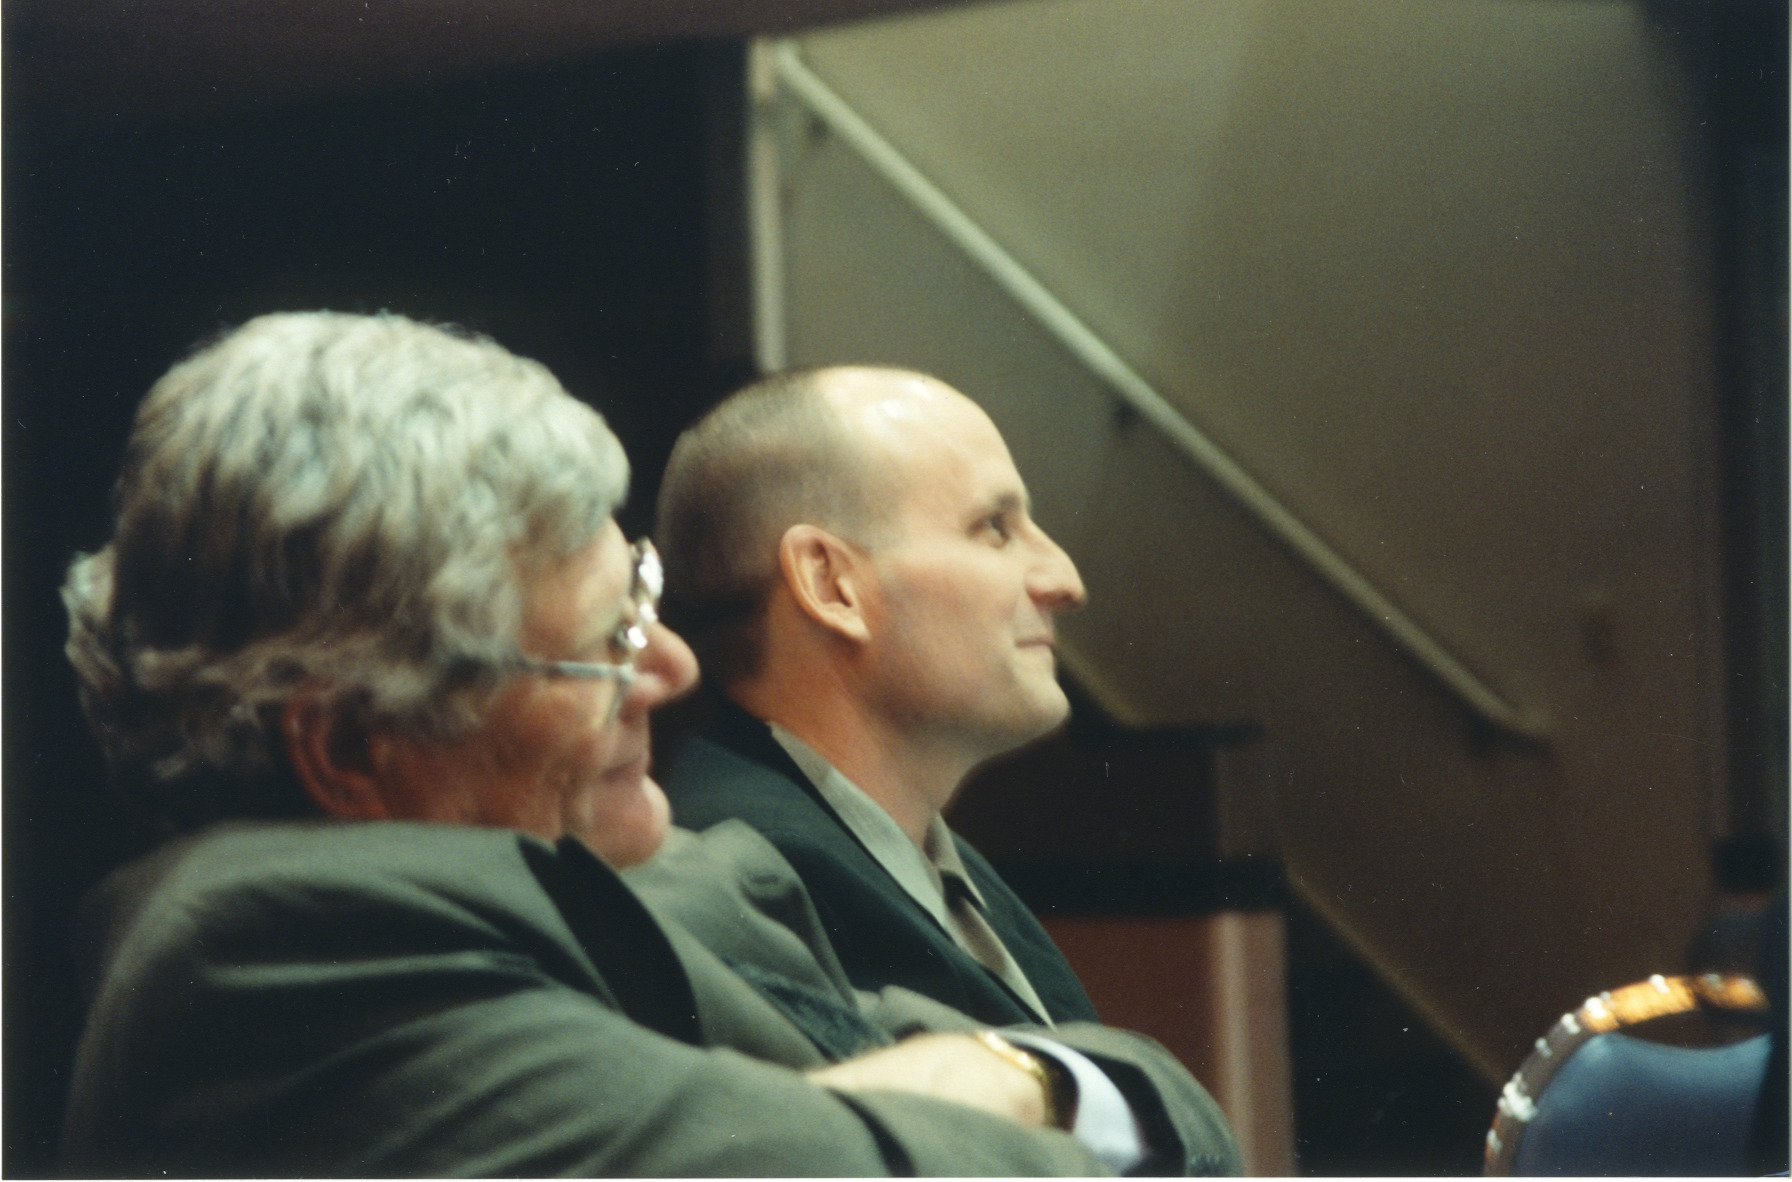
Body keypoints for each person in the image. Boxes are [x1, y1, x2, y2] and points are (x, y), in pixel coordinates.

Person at [57, 313, 1240, 1176]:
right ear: (353, 749)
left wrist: (1016, 1074)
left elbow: (1160, 1099)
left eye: (643, 594)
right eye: (605, 641)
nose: (670, 668)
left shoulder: (643, 882)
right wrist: (1017, 1078)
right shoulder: (279, 964)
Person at [656, 366, 1097, 1029]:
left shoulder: (916, 855)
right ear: (830, 584)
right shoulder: (746, 886)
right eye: (995, 528)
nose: (1065, 580)